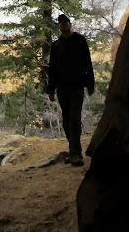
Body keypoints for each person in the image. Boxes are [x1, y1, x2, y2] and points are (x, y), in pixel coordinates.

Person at [46, 13, 95, 167]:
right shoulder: (56, 45)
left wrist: (90, 84)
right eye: (61, 24)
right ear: (59, 27)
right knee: (67, 120)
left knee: (74, 118)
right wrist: (51, 89)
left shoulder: (79, 41)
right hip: (62, 88)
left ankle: (76, 153)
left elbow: (88, 62)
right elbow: (52, 68)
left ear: (70, 24)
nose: (63, 26)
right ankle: (72, 150)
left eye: (65, 23)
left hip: (76, 86)